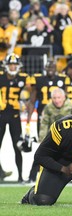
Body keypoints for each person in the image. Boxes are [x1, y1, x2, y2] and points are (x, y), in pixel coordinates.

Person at [26, 60, 70, 182]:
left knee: (64, 148)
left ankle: (63, 174)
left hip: (60, 120)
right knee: (43, 148)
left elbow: (68, 101)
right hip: (44, 119)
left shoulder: (63, 80)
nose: (50, 68)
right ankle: (32, 176)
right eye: (48, 66)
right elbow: (32, 101)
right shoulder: (39, 79)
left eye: (52, 66)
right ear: (45, 68)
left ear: (56, 68)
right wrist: (29, 123)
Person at [0, 53, 31, 182]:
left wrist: (25, 100)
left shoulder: (24, 78)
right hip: (1, 115)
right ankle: (1, 173)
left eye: (15, 64)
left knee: (17, 146)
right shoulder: (1, 77)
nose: (12, 67)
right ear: (6, 65)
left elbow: (30, 92)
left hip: (15, 116)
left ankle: (20, 177)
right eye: (10, 64)